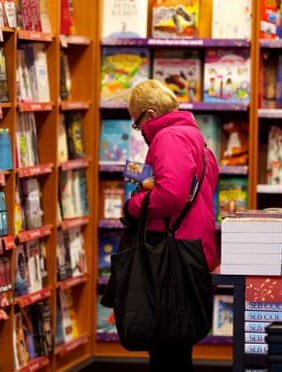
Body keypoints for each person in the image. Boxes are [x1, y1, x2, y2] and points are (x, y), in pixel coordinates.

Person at [119, 79, 219, 371]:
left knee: (165, 347)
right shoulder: (196, 138)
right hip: (192, 249)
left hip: (170, 253)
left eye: (137, 124)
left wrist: (133, 206)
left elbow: (170, 195)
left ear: (150, 115)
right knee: (175, 342)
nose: (139, 131)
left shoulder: (168, 137)